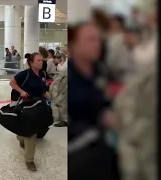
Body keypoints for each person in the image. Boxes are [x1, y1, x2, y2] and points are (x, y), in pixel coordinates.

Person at [68, 23, 120, 180]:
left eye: (98, 40)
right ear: (75, 45)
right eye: (91, 40)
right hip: (79, 147)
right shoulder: (70, 79)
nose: (97, 44)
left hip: (104, 140)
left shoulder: (101, 71)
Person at [9, 53, 47, 171]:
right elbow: (12, 82)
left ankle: (21, 138)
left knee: (29, 130)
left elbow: (42, 89)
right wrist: (21, 91)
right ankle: (29, 160)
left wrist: (47, 95)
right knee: (31, 132)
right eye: (38, 60)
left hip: (38, 106)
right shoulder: (25, 74)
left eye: (42, 60)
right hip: (26, 106)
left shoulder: (42, 74)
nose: (41, 62)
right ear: (31, 63)